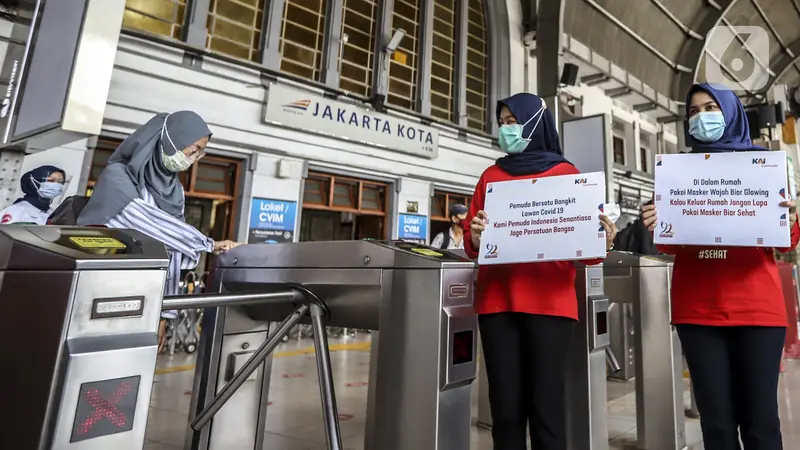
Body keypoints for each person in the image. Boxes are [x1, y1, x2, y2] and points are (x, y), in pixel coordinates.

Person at [642, 83, 798, 450]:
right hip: (699, 311)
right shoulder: (678, 173)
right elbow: (668, 242)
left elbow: (787, 241)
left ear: (730, 112)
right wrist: (656, 219)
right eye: (693, 112)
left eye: (709, 107)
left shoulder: (762, 165)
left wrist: (788, 217)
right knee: (716, 424)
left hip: (757, 310)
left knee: (761, 422)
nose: (701, 117)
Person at [465, 93, 617, 450]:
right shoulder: (490, 176)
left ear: (534, 123)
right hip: (497, 304)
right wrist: (474, 235)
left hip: (550, 306)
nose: (505, 128)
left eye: (512, 121)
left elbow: (589, 255)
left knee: (546, 407)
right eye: (501, 122)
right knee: (505, 412)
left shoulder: (567, 175)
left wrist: (603, 240)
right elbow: (474, 245)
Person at [77, 111, 241, 352]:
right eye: (193, 149)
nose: (194, 158)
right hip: (102, 296)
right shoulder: (118, 177)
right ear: (170, 139)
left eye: (200, 153)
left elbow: (170, 257)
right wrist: (209, 244)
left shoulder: (174, 191)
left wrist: (166, 314)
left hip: (145, 301)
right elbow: (145, 222)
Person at [0, 165, 66, 224]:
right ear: (34, 182)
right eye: (51, 180)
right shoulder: (16, 211)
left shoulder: (53, 213)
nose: (57, 185)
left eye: (60, 182)